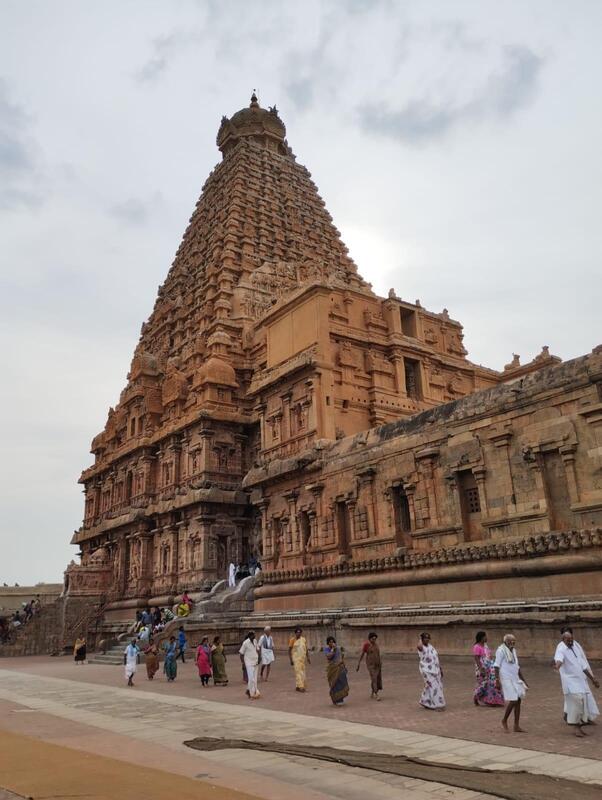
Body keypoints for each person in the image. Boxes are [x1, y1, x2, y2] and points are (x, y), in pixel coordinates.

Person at [554, 630, 600, 736]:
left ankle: (578, 726)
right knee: (577, 703)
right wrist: (557, 666)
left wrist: (593, 679)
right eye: (568, 640)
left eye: (572, 639)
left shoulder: (575, 647)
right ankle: (575, 728)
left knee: (583, 703)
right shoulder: (561, 649)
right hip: (570, 683)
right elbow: (559, 660)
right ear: (563, 640)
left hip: (580, 682)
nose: (571, 642)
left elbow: (583, 667)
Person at [494, 633, 528, 733]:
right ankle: (504, 720)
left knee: (518, 700)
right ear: (505, 641)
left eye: (514, 641)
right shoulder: (500, 650)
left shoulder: (514, 651)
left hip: (515, 678)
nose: (513, 643)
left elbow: (517, 667)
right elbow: (496, 665)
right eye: (510, 641)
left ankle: (516, 725)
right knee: (513, 700)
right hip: (506, 678)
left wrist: (524, 680)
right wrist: (497, 680)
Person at [472, 631, 504, 707]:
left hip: (490, 667)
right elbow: (476, 658)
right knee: (483, 684)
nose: (486, 638)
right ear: (481, 637)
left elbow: (489, 656)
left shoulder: (486, 646)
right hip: (482, 668)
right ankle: (476, 696)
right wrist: (480, 669)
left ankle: (492, 700)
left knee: (492, 683)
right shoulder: (477, 646)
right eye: (485, 636)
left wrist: (493, 664)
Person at [417, 633, 445, 710]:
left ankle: (425, 701)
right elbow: (419, 646)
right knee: (433, 686)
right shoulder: (421, 647)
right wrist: (420, 638)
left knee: (435, 686)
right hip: (426, 670)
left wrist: (440, 669)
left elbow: (436, 658)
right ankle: (437, 705)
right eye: (425, 638)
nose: (427, 639)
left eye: (428, 638)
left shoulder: (431, 647)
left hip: (435, 670)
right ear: (422, 639)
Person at [356, 631, 382, 700]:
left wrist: (380, 663)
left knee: (376, 679)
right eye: (373, 639)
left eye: (375, 639)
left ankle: (373, 692)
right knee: (374, 678)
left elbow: (378, 655)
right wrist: (358, 663)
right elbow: (362, 654)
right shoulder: (366, 645)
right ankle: (376, 694)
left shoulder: (376, 645)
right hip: (370, 665)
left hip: (377, 664)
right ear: (369, 639)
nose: (374, 640)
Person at [325, 636, 349, 706]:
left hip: (340, 667)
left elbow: (341, 658)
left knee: (341, 682)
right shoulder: (327, 649)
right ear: (328, 643)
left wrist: (344, 666)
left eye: (332, 642)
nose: (331, 643)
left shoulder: (338, 649)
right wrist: (332, 650)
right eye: (330, 642)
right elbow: (329, 657)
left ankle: (340, 699)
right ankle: (335, 699)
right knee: (334, 684)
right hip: (332, 669)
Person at [239, 630, 260, 699]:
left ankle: (249, 690)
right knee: (251, 678)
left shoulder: (255, 641)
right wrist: (243, 663)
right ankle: (252, 694)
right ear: (250, 636)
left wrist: (259, 657)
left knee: (255, 678)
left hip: (255, 661)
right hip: (248, 662)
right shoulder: (245, 643)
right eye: (253, 635)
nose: (254, 636)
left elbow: (257, 649)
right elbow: (241, 654)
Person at [288, 627, 310, 692]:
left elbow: (306, 649)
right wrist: (291, 660)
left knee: (302, 672)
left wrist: (308, 657)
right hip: (296, 659)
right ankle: (301, 687)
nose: (298, 634)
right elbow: (289, 650)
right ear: (295, 633)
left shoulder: (303, 640)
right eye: (297, 632)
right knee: (298, 672)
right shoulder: (292, 640)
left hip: (302, 659)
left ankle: (298, 686)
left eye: (300, 632)